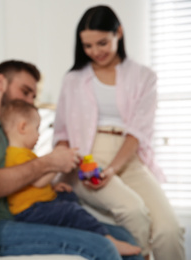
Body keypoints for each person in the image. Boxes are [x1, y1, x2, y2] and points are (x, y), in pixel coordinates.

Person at [0, 59, 144, 260]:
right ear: (0, 83)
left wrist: (50, 185)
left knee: (124, 237)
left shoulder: (8, 130)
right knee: (102, 247)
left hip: (12, 217)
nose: (30, 101)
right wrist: (49, 162)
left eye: (33, 95)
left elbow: (16, 177)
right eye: (25, 91)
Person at [52, 5, 185, 260]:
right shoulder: (73, 79)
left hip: (128, 157)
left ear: (119, 33)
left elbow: (137, 133)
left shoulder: (144, 77)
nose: (95, 51)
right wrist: (60, 173)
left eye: (102, 43)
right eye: (88, 46)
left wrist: (112, 169)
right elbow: (62, 133)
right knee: (134, 211)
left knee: (169, 229)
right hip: (87, 159)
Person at [0, 99, 141, 256]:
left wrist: (53, 186)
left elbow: (31, 184)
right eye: (37, 129)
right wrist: (56, 164)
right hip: (31, 210)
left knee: (68, 195)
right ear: (23, 127)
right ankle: (107, 238)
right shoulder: (16, 155)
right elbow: (39, 181)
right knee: (71, 210)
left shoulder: (23, 154)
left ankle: (80, 225)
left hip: (37, 203)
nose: (39, 135)